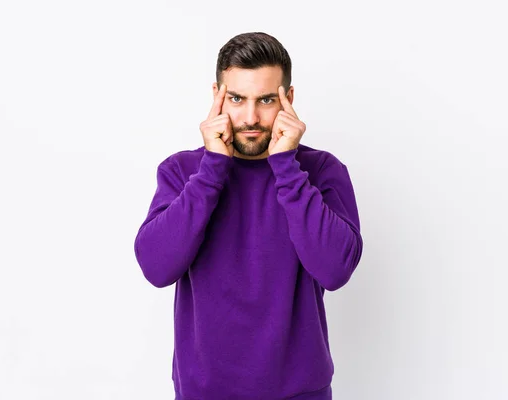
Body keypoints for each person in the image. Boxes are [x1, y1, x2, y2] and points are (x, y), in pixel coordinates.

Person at [133, 32, 363, 400]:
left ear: (288, 100)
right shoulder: (182, 172)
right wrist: (212, 170)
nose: (251, 117)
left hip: (299, 393)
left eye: (267, 100)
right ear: (217, 97)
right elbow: (157, 268)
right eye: (237, 99)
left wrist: (286, 166)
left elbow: (335, 271)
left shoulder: (321, 171)